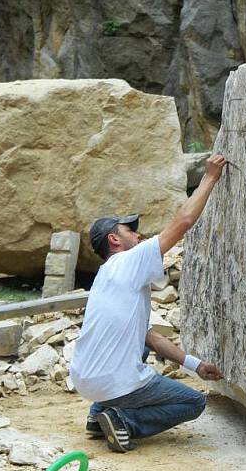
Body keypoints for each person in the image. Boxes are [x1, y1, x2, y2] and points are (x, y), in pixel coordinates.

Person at [70, 154, 228, 452]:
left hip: (85, 381)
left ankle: (97, 416)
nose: (138, 234)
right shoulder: (129, 261)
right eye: (129, 230)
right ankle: (122, 420)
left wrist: (196, 366)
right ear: (115, 240)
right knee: (192, 402)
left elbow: (150, 337)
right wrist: (210, 178)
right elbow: (183, 222)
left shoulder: (105, 277)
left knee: (139, 344)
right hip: (113, 384)